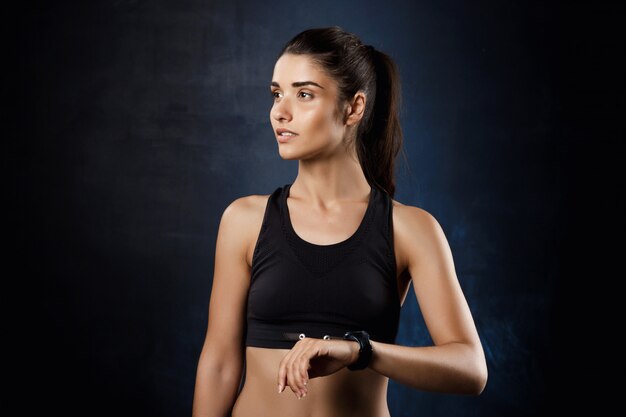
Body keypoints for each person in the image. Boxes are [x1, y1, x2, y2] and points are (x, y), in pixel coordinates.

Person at [192, 26, 487, 417]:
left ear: (354, 108)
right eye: (276, 93)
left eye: (304, 94)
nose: (280, 111)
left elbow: (470, 369)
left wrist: (359, 350)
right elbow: (219, 364)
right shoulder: (244, 220)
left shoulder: (409, 229)